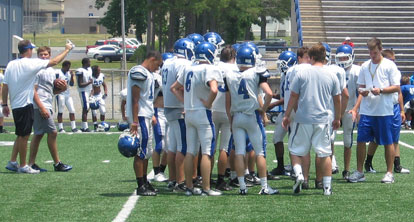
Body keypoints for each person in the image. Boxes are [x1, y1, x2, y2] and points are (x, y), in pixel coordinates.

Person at [3, 39, 72, 173]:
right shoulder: (31, 63)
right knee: (27, 135)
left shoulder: (11, 63)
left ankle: (14, 162)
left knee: (23, 134)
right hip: (26, 103)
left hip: (16, 104)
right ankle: (25, 165)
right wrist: (67, 49)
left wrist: (5, 103)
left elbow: (5, 86)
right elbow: (55, 62)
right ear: (28, 50)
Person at [282, 43, 341, 196]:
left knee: (295, 150)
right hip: (323, 119)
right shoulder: (331, 75)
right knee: (325, 153)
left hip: (303, 118)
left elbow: (293, 97)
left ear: (311, 57)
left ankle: (299, 174)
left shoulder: (302, 74)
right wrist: (338, 117)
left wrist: (286, 115)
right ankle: (327, 187)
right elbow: (337, 99)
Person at [225, 45, 279, 195]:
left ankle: (242, 187)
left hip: (237, 117)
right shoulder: (256, 73)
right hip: (251, 116)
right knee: (260, 152)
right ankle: (264, 186)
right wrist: (263, 109)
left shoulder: (229, 75)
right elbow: (268, 93)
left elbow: (227, 102)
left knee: (240, 152)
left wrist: (230, 120)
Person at [171, 42, 223, 196]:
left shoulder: (188, 68)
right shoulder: (209, 68)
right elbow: (214, 89)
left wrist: (185, 102)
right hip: (202, 113)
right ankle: (206, 188)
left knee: (190, 151)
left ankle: (189, 187)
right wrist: (208, 102)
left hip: (189, 113)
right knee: (207, 152)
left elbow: (173, 88)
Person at [348, 38, 401, 184]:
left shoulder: (389, 65)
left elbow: (396, 87)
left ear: (380, 49)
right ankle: (359, 171)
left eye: (375, 52)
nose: (372, 55)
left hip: (384, 111)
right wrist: (362, 91)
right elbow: (361, 86)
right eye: (370, 52)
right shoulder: (365, 66)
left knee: (388, 142)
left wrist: (382, 90)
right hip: (367, 110)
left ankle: (389, 173)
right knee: (360, 141)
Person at [362, 49, 409, 174]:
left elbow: (398, 92)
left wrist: (402, 110)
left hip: (393, 107)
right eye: (391, 60)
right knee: (377, 138)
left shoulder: (393, 71)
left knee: (394, 137)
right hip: (381, 107)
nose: (394, 62)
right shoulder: (380, 70)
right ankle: (368, 162)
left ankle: (397, 165)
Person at [28, 46, 73, 172]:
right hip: (40, 105)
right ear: (38, 56)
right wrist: (41, 107)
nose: (43, 57)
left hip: (47, 103)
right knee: (53, 132)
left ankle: (31, 163)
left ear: (49, 55)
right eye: (41, 55)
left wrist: (62, 89)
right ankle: (57, 163)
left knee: (38, 134)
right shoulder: (37, 70)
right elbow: (33, 91)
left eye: (46, 54)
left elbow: (52, 91)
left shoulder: (52, 71)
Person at [127, 50, 162, 196]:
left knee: (147, 152)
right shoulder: (138, 71)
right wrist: (134, 121)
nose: (157, 68)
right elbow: (136, 99)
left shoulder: (148, 74)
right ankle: (140, 184)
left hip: (146, 115)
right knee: (141, 151)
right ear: (152, 59)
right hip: (140, 116)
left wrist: (152, 114)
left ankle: (145, 182)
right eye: (157, 64)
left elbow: (147, 98)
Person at [161, 38, 194, 192]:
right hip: (178, 107)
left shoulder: (168, 62)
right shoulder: (183, 64)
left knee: (173, 147)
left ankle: (173, 179)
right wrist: (186, 103)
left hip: (168, 107)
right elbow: (180, 87)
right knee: (183, 147)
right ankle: (180, 182)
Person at [212, 45, 238, 191]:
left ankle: (206, 176)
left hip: (212, 108)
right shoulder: (235, 70)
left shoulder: (213, 66)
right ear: (233, 57)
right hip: (228, 110)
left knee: (210, 147)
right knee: (224, 148)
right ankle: (221, 179)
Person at [269, 50, 298, 177]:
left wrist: (274, 104)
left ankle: (295, 168)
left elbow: (292, 96)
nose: (280, 65)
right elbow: (283, 94)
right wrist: (272, 96)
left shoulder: (295, 74)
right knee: (277, 138)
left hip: (293, 112)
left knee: (294, 141)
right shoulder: (284, 75)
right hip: (284, 111)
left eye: (283, 63)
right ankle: (280, 166)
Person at [334, 44, 361, 180]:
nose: (343, 60)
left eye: (345, 57)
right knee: (330, 138)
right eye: (341, 57)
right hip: (335, 109)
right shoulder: (333, 70)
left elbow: (360, 92)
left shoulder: (357, 71)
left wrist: (356, 109)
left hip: (349, 109)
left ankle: (346, 169)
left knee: (347, 140)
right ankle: (332, 165)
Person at [56, 60, 78, 133]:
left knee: (72, 110)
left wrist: (72, 76)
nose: (69, 68)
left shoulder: (68, 73)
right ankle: (60, 127)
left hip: (67, 94)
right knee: (60, 110)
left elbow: (71, 84)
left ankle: (73, 127)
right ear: (64, 66)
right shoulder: (58, 73)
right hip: (60, 94)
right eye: (68, 67)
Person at [76, 58, 93, 132]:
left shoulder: (89, 70)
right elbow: (80, 84)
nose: (90, 63)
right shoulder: (80, 71)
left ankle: (83, 126)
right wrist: (89, 82)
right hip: (83, 91)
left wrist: (91, 90)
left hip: (89, 90)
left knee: (87, 108)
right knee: (85, 108)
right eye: (89, 62)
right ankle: (85, 127)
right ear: (86, 63)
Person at [90, 65, 108, 131]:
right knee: (94, 112)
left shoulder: (101, 76)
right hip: (93, 96)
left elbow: (104, 85)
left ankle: (102, 124)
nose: (100, 71)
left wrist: (105, 92)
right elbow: (90, 88)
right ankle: (95, 125)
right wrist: (90, 97)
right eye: (98, 70)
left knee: (103, 111)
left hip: (99, 95)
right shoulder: (91, 77)